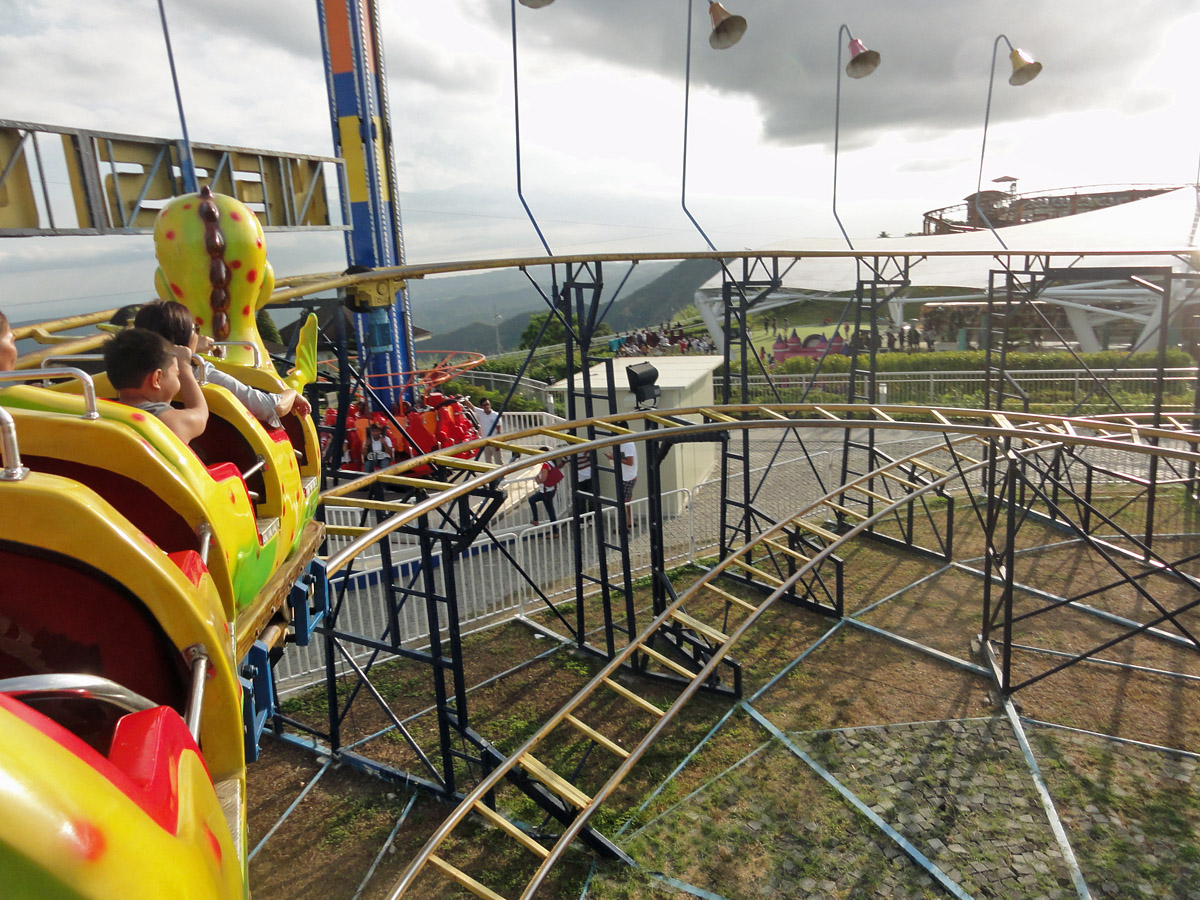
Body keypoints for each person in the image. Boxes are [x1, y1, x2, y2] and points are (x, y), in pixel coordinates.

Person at [133, 300, 310, 428]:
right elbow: (271, 407)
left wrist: (194, 348)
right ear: (184, 339)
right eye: (195, 329)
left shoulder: (129, 378)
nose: (198, 334)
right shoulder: (202, 375)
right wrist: (291, 393)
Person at [104, 327, 208, 443]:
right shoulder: (168, 422)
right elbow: (201, 414)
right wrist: (185, 368)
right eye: (177, 373)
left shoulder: (103, 415)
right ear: (156, 379)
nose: (178, 376)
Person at [528, 447, 563, 530]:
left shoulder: (545, 465)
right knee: (550, 510)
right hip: (551, 489)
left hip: (546, 491)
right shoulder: (551, 462)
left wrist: (537, 479)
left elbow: (543, 479)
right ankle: (555, 529)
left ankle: (536, 519)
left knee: (531, 500)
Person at [606, 441, 638, 529]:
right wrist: (612, 458)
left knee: (622, 501)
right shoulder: (621, 444)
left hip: (628, 477)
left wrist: (614, 457)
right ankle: (630, 521)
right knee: (627, 500)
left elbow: (630, 462)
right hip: (625, 476)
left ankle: (623, 526)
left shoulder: (627, 445)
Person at [468, 397, 502, 465]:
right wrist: (463, 399)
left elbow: (499, 430)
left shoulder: (495, 415)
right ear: (481, 407)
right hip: (485, 441)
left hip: (494, 440)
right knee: (488, 461)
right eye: (485, 405)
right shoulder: (481, 413)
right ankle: (491, 474)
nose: (487, 406)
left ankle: (501, 475)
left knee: (498, 461)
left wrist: (498, 443)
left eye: (488, 404)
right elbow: (471, 407)